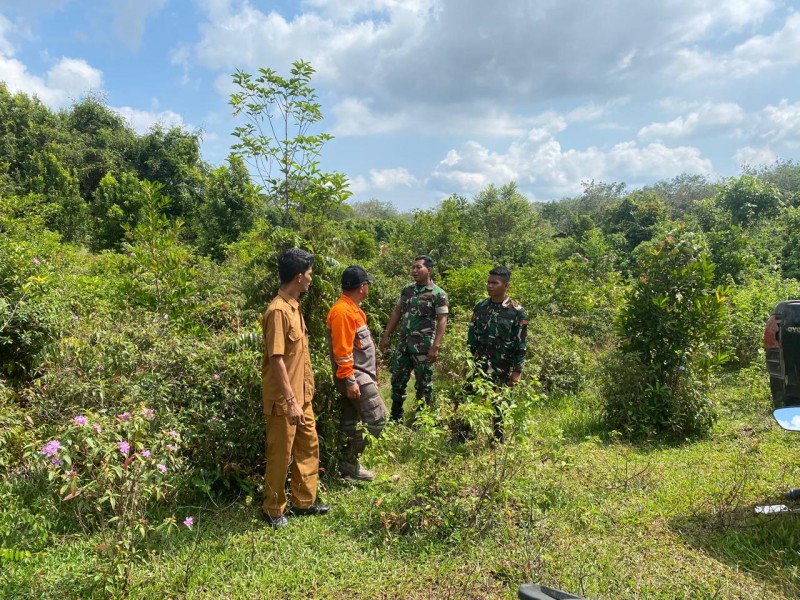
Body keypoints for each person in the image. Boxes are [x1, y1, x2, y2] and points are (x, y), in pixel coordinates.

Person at [261, 248, 329, 529]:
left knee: (308, 444)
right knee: (281, 453)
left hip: (303, 396)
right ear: (299, 277)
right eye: (310, 275)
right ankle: (273, 509)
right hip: (284, 399)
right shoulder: (278, 310)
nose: (312, 280)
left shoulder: (294, 306)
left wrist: (302, 396)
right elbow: (276, 359)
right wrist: (290, 400)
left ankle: (304, 502)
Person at [326, 266, 387, 481]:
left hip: (360, 375)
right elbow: (342, 352)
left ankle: (347, 467)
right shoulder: (343, 312)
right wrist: (350, 380)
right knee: (377, 419)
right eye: (367, 284)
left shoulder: (353, 309)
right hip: (355, 376)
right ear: (362, 287)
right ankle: (349, 463)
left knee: (349, 423)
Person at [379, 255, 449, 422]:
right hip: (404, 345)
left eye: (418, 267)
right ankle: (396, 416)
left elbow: (442, 321)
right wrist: (386, 334)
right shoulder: (407, 290)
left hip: (424, 347)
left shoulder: (438, 294)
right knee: (397, 379)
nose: (414, 271)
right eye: (413, 268)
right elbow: (397, 312)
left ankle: (422, 419)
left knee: (424, 384)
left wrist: (435, 346)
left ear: (429, 270)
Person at [466, 266, 528, 439]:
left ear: (506, 285)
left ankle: (496, 440)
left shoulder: (516, 311)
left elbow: (521, 343)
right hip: (478, 365)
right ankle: (464, 435)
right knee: (468, 398)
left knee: (500, 405)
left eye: (495, 283)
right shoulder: (480, 307)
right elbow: (472, 337)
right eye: (488, 282)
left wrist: (517, 372)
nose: (490, 286)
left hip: (503, 366)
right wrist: (467, 362)